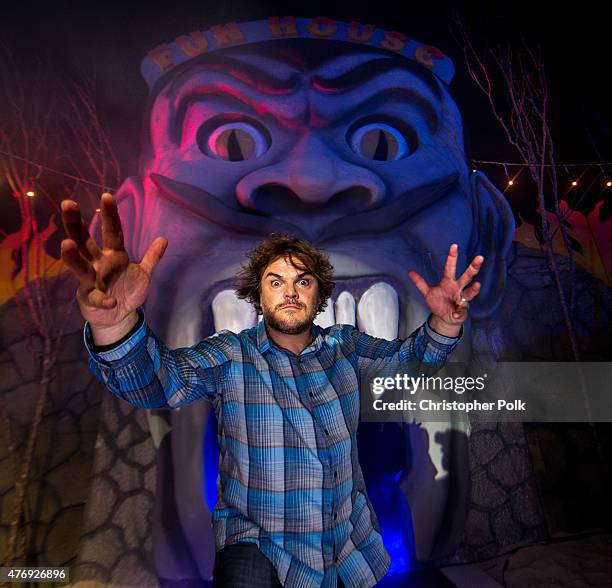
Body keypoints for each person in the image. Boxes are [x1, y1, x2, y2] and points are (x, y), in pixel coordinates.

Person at [60, 192, 483, 588]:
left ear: (318, 296)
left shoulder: (346, 345)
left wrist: (445, 323)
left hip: (347, 551)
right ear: (258, 296)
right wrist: (114, 327)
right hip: (257, 551)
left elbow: (412, 360)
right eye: (275, 281)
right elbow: (156, 383)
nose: (290, 292)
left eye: (303, 282)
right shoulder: (230, 355)